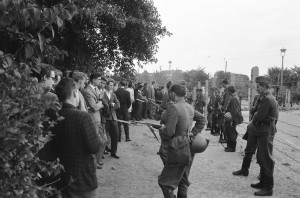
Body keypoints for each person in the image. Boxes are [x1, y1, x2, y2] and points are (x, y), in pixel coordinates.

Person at [52, 77, 101, 198]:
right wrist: (97, 136)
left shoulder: (55, 116)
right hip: (82, 179)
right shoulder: (82, 117)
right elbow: (94, 147)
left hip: (61, 178)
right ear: (75, 92)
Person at [158, 81, 206, 198]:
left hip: (176, 149)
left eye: (170, 93)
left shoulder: (173, 108)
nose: (169, 95)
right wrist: (192, 135)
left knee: (165, 183)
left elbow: (169, 132)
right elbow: (202, 120)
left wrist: (162, 129)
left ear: (173, 94)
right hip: (188, 147)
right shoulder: (189, 107)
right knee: (183, 180)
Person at [250, 76, 278, 196]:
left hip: (265, 131)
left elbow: (258, 116)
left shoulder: (267, 99)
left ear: (265, 87)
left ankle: (268, 187)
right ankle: (263, 182)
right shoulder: (265, 97)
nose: (257, 89)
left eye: (259, 87)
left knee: (266, 159)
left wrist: (254, 112)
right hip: (263, 130)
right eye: (257, 86)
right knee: (261, 157)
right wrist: (255, 112)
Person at [82, 73, 107, 169]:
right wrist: (101, 103)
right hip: (93, 118)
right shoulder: (87, 91)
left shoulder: (96, 89)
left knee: (104, 140)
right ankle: (93, 163)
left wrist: (99, 103)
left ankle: (97, 160)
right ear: (93, 80)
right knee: (95, 141)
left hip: (99, 118)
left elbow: (98, 103)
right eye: (99, 79)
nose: (100, 81)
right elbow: (93, 107)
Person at [233, 94, 261, 176]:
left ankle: (262, 174)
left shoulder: (268, 101)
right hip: (253, 129)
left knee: (262, 154)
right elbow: (252, 112)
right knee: (249, 150)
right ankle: (244, 170)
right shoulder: (257, 100)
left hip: (262, 131)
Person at [103, 79, 121, 159]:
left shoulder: (113, 94)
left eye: (112, 85)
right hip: (105, 118)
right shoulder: (101, 93)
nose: (111, 87)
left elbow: (118, 104)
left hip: (113, 118)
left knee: (115, 135)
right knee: (103, 136)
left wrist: (112, 105)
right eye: (110, 85)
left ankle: (113, 153)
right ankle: (102, 152)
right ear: (106, 85)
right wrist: (108, 105)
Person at [223, 86, 242, 152]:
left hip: (232, 119)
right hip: (231, 118)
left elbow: (234, 111)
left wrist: (232, 121)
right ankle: (229, 146)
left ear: (230, 91)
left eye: (228, 91)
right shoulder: (234, 97)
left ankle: (232, 148)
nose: (227, 92)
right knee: (229, 132)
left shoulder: (234, 98)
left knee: (231, 133)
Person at [219, 78, 231, 143]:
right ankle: (225, 137)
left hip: (226, 111)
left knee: (225, 125)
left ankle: (226, 138)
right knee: (224, 125)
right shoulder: (226, 90)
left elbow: (227, 101)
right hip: (225, 110)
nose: (222, 85)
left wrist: (224, 109)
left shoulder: (228, 91)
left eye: (222, 83)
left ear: (224, 83)